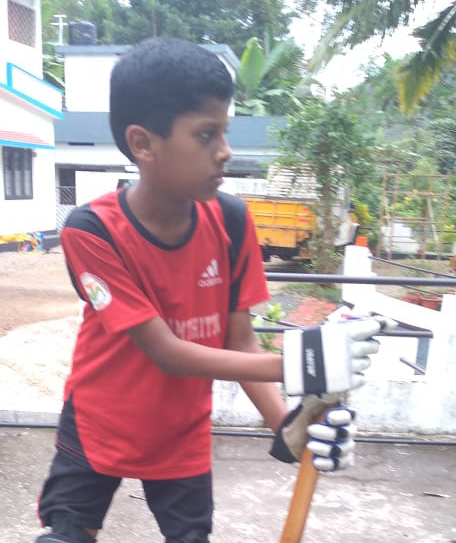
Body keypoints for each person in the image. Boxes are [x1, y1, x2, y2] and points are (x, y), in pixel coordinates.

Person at [35, 37, 393, 543]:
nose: (225, 151)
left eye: (224, 131)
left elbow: (239, 342)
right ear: (143, 144)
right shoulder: (91, 231)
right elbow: (165, 351)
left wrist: (291, 430)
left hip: (181, 435)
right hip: (98, 424)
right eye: (206, 135)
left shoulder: (231, 218)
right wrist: (305, 361)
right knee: (66, 537)